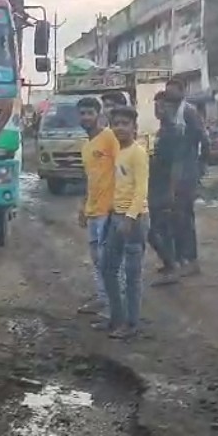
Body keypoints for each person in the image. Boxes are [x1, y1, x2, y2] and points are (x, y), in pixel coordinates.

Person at [94, 106, 149, 339]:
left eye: (125, 124)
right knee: (108, 269)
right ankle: (116, 318)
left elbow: (141, 189)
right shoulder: (114, 152)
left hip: (134, 220)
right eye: (115, 124)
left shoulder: (138, 153)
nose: (120, 128)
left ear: (134, 127)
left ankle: (132, 324)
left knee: (132, 275)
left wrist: (129, 216)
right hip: (114, 216)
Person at [75, 96, 120, 317]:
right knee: (96, 260)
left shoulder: (110, 138)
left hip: (109, 211)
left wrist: (120, 206)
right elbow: (89, 178)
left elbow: (122, 169)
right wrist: (83, 207)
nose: (86, 117)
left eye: (90, 113)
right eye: (82, 113)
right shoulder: (86, 146)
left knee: (109, 261)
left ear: (98, 115)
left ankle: (114, 309)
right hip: (93, 211)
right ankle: (103, 300)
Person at [163, 78, 210, 277]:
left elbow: (203, 139)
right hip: (177, 171)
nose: (169, 95)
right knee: (176, 217)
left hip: (187, 171)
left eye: (173, 91)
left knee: (184, 217)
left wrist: (200, 166)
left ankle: (191, 261)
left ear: (182, 91)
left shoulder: (188, 112)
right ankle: (180, 259)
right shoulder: (171, 113)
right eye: (167, 91)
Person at [148, 90, 178, 285]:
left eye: (162, 105)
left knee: (158, 230)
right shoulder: (163, 130)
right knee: (157, 229)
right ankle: (168, 265)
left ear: (172, 108)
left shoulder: (173, 132)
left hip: (165, 188)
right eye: (156, 105)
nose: (158, 109)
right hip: (156, 185)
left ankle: (171, 268)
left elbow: (176, 164)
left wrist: (172, 191)